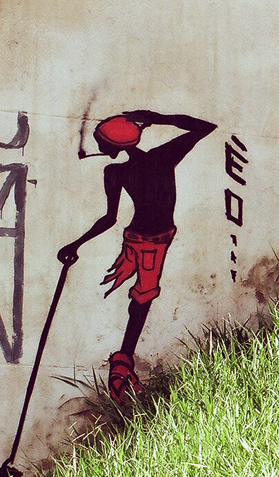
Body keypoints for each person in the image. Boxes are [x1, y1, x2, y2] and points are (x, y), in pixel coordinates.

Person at [58, 110, 216, 403]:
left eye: (101, 142)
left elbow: (109, 219)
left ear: (113, 146)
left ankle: (123, 362)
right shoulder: (161, 158)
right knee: (143, 297)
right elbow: (203, 127)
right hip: (152, 241)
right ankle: (123, 361)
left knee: (142, 297)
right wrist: (158, 118)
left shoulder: (118, 171)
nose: (99, 146)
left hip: (145, 241)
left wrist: (76, 244)